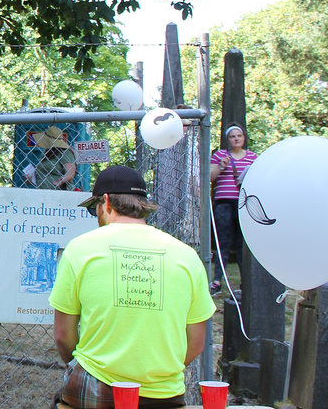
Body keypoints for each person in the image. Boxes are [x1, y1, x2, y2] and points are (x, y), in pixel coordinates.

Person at [49, 165, 215, 409]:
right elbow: (197, 343)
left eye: (93, 208)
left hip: (98, 386)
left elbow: (63, 335)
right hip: (164, 395)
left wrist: (84, 368)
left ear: (105, 202)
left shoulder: (80, 248)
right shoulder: (186, 255)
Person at [209, 124, 257, 293]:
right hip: (223, 203)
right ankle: (217, 281)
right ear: (227, 139)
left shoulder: (252, 157)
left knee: (242, 244)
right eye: (232, 136)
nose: (236, 139)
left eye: (239, 136)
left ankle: (246, 283)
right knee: (223, 242)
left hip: (244, 204)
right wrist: (221, 167)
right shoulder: (220, 155)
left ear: (244, 138)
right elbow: (210, 176)